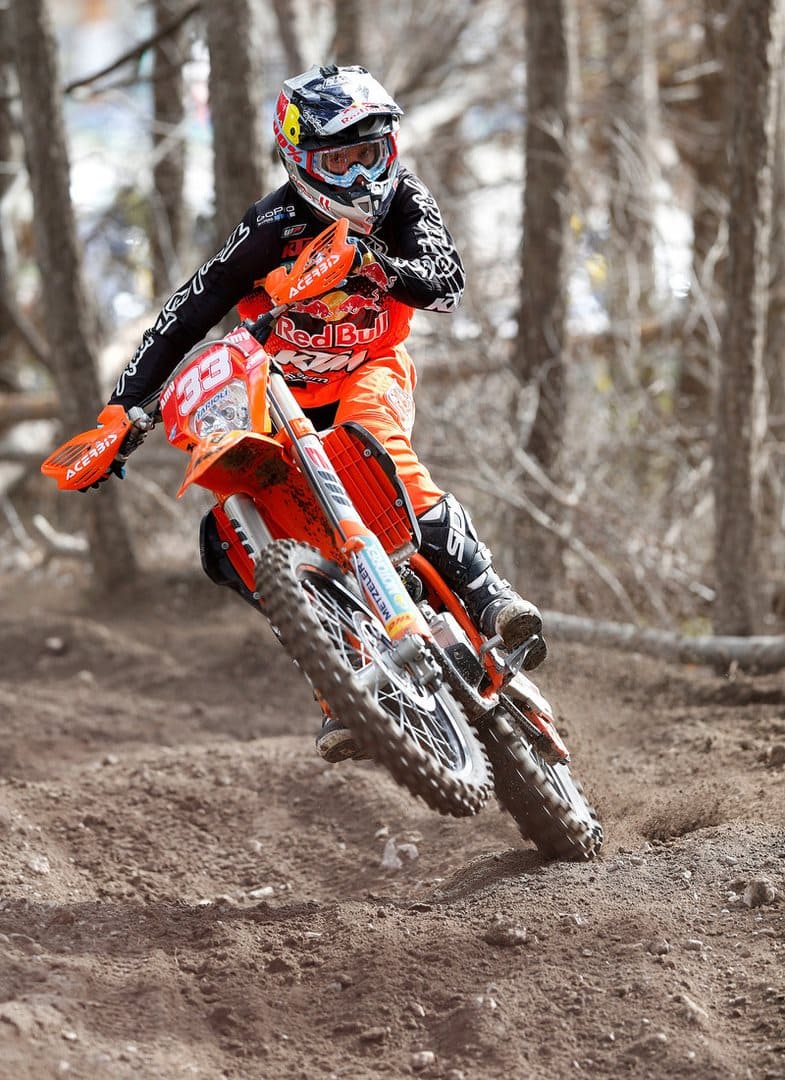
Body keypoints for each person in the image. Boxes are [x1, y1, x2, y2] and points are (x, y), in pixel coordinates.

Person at [101, 64, 546, 761]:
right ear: (301, 160)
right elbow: (190, 309)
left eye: (369, 153)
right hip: (277, 391)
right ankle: (338, 681)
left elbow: (447, 283)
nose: (361, 174)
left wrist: (378, 265)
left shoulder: (404, 201)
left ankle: (490, 598)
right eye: (340, 160)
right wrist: (122, 409)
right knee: (229, 538)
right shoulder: (271, 225)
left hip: (370, 368)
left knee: (376, 444)